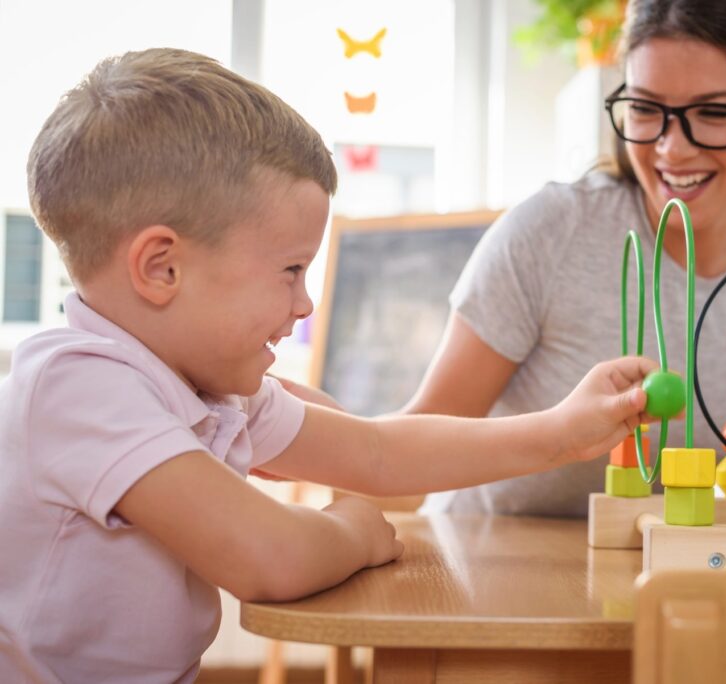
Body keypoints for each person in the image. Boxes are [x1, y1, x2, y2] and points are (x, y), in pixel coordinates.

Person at [0, 49, 657, 683]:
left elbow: (378, 454)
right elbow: (268, 557)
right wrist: (354, 532)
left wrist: (563, 432)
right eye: (290, 270)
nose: (305, 301)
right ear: (162, 268)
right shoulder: (76, 386)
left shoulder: (202, 389)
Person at [405, 0, 726, 515]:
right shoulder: (552, 231)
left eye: (715, 113)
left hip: (638, 581)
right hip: (479, 570)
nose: (672, 149)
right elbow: (406, 458)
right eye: (646, 109)